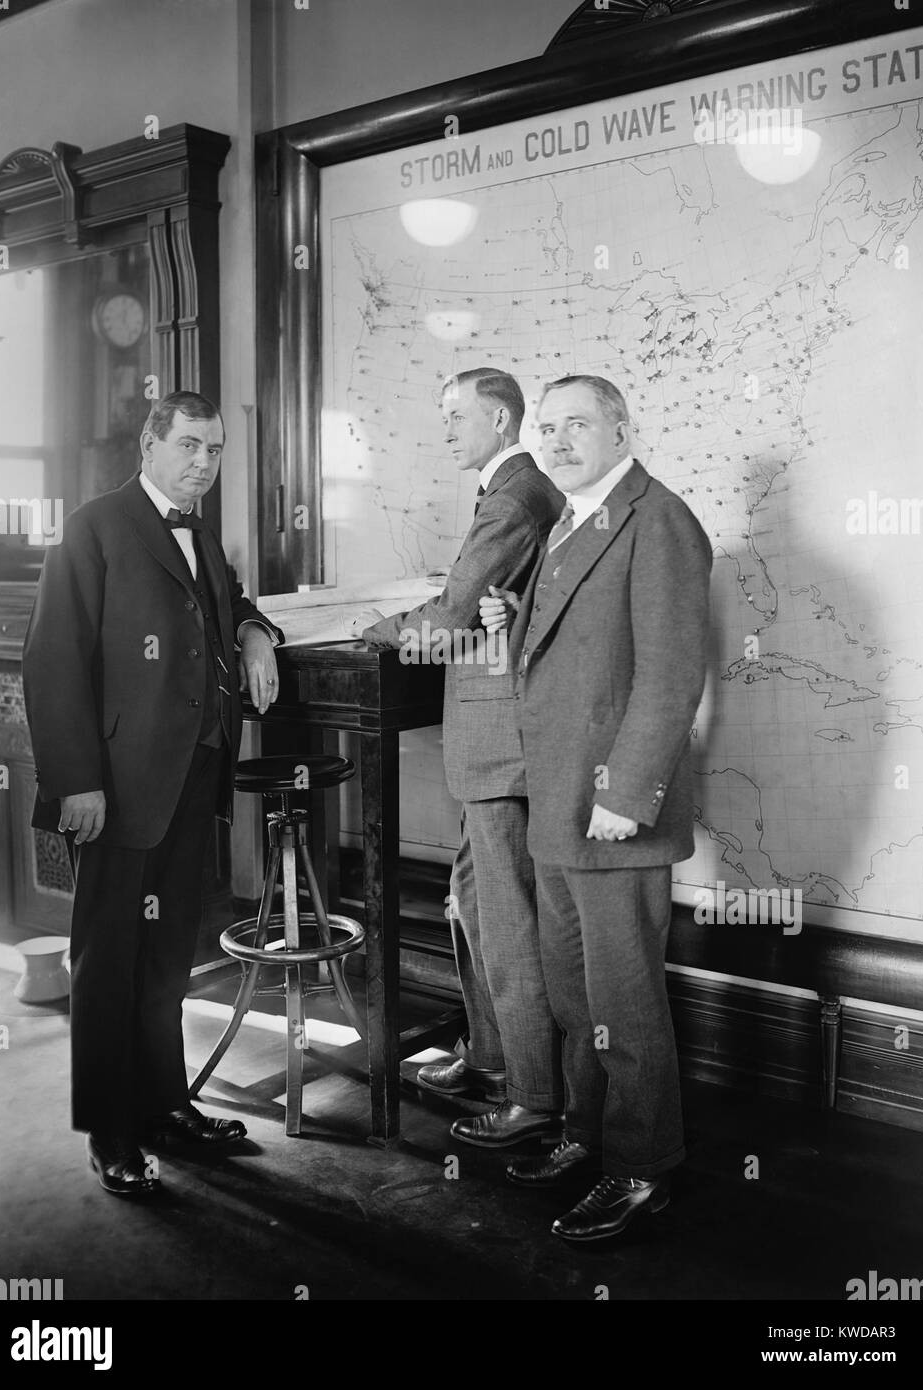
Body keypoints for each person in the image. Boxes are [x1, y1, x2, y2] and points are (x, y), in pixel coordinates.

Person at [22, 390, 283, 1197]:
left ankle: (166, 1106)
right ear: (150, 444)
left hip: (191, 777)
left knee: (168, 957)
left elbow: (224, 606)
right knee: (107, 961)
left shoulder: (200, 533)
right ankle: (110, 1129)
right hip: (116, 787)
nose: (203, 463)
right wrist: (77, 783)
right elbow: (53, 658)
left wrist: (253, 632)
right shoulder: (96, 524)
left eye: (214, 450)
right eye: (190, 447)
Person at [480, 374, 711, 1239]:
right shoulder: (571, 521)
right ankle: (586, 1136)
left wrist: (626, 792)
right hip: (558, 805)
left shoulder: (659, 520)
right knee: (575, 993)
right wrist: (517, 613)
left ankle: (643, 1167)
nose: (560, 440)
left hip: (610, 810)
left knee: (623, 999)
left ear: (621, 427)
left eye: (579, 424)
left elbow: (669, 671)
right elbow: (573, 647)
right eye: (548, 428)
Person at [348, 367, 564, 1146]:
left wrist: (378, 626)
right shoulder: (509, 493)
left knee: (504, 917)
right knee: (474, 904)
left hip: (503, 742)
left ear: (501, 420)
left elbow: (450, 616)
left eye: (455, 416)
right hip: (495, 743)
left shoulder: (512, 498)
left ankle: (533, 1096)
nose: (443, 430)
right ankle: (491, 1058)